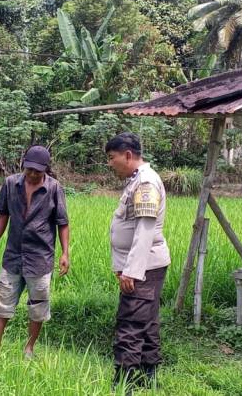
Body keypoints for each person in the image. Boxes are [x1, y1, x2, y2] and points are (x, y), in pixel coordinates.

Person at [0, 145, 71, 359]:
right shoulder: (10, 184)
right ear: (24, 166)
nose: (33, 174)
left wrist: (65, 253)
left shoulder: (54, 189)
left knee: (38, 305)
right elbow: (2, 215)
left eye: (38, 171)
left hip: (40, 257)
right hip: (13, 254)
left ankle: (29, 348)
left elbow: (62, 222)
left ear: (45, 170)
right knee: (2, 300)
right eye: (29, 169)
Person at [104, 132, 171, 390]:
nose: (110, 164)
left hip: (144, 268)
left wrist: (132, 272)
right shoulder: (137, 180)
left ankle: (124, 384)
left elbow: (144, 229)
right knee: (147, 321)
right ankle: (147, 375)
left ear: (128, 155)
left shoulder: (145, 183)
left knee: (131, 322)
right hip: (148, 265)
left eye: (112, 158)